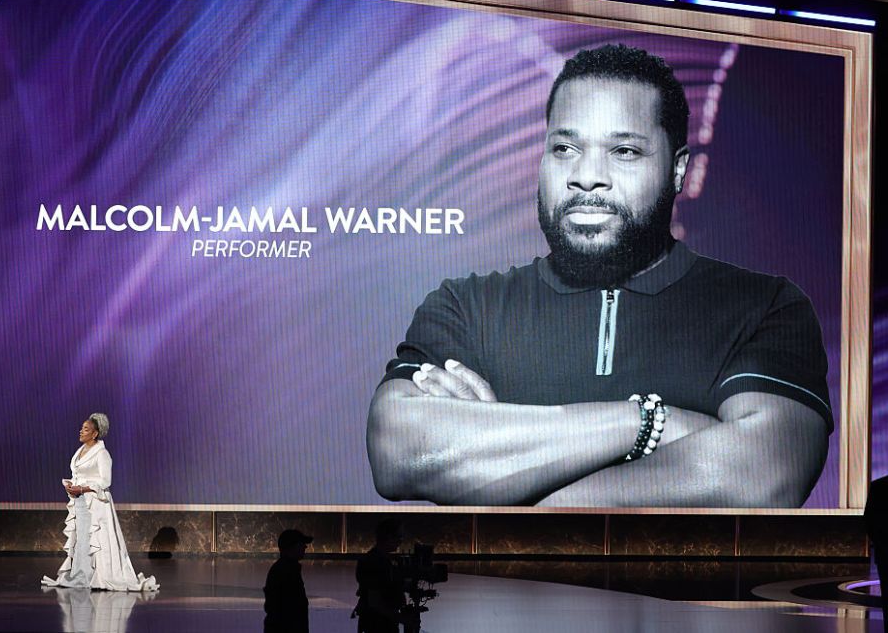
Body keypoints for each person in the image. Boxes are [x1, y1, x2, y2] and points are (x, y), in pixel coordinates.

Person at [367, 44, 832, 508]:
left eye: (624, 151)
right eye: (565, 148)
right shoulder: (466, 307)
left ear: (678, 171)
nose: (587, 176)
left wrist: (515, 488)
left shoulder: (764, 306)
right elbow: (399, 452)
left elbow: (764, 475)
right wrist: (646, 423)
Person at [41, 413, 158, 591]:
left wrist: (83, 488)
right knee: (83, 539)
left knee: (98, 539)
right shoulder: (80, 451)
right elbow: (79, 474)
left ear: (95, 434)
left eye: (86, 429)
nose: (81, 431)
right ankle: (83, 574)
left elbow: (105, 481)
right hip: (80, 503)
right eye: (81, 428)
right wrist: (72, 485)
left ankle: (102, 575)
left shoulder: (102, 453)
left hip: (96, 503)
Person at [354, 519, 405, 633]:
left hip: (379, 623)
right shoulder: (375, 562)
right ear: (388, 537)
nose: (400, 541)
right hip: (377, 625)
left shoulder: (381, 560)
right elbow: (375, 602)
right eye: (398, 537)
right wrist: (400, 618)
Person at [263, 529, 312, 633]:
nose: (305, 547)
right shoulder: (286, 571)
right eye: (301, 544)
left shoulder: (285, 569)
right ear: (292, 547)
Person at [865, 475, 888, 629]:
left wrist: (880, 544)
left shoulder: (878, 486)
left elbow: (869, 520)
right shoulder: (878, 486)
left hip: (885, 553)